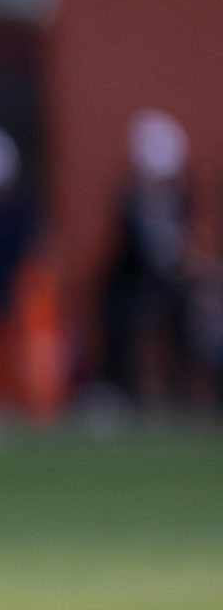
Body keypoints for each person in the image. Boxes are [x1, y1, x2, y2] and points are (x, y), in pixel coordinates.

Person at [95, 109, 203, 410]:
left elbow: (184, 244)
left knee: (186, 317)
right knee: (123, 317)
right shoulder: (130, 197)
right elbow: (137, 249)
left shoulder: (183, 193)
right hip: (135, 282)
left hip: (170, 282)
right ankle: (125, 389)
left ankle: (183, 389)